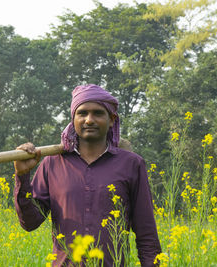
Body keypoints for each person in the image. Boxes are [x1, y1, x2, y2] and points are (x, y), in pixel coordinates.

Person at [13, 84, 161, 266]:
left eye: (98, 113)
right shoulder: (52, 164)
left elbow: (146, 234)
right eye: (82, 113)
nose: (89, 120)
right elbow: (30, 223)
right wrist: (22, 176)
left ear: (112, 119)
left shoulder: (131, 164)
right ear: (73, 119)